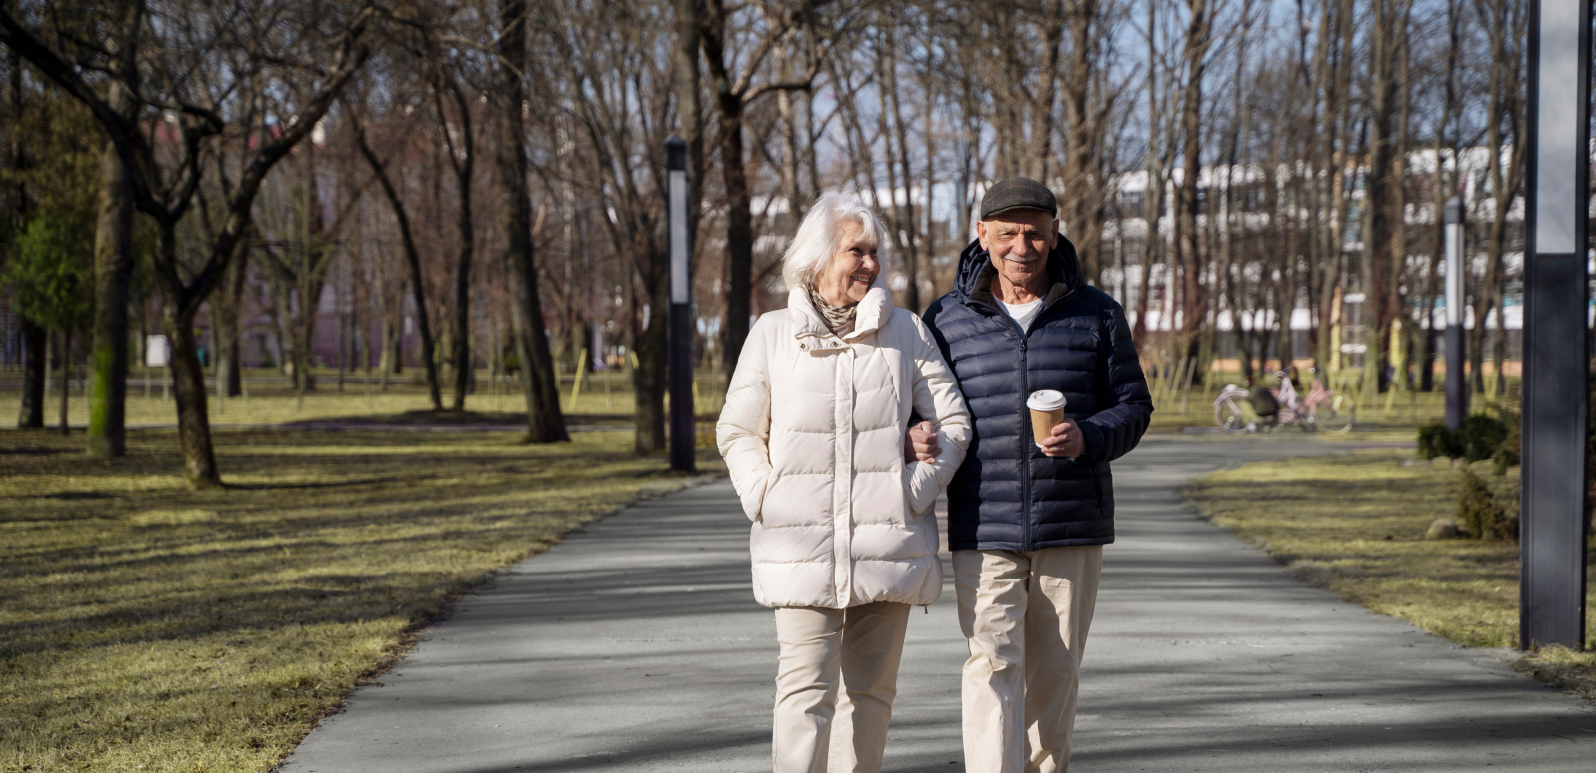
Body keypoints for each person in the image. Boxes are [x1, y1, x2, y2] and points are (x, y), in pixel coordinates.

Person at [717, 195, 972, 773]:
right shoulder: (773, 334)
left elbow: (954, 423)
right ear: (816, 257)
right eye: (855, 251)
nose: (869, 264)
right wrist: (764, 495)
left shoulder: (906, 331)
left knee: (872, 697)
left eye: (874, 252)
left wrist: (915, 487)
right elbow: (736, 431)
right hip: (799, 548)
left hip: (889, 545)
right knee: (804, 693)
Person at [912, 177, 1153, 773]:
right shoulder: (944, 318)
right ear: (982, 235)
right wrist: (914, 432)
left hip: (1071, 523)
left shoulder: (1096, 313)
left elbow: (1134, 405)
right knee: (991, 664)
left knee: (1055, 670)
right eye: (1009, 233)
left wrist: (1089, 436)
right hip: (983, 524)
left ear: (1053, 234)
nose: (1023, 246)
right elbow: (917, 407)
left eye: (1036, 233)